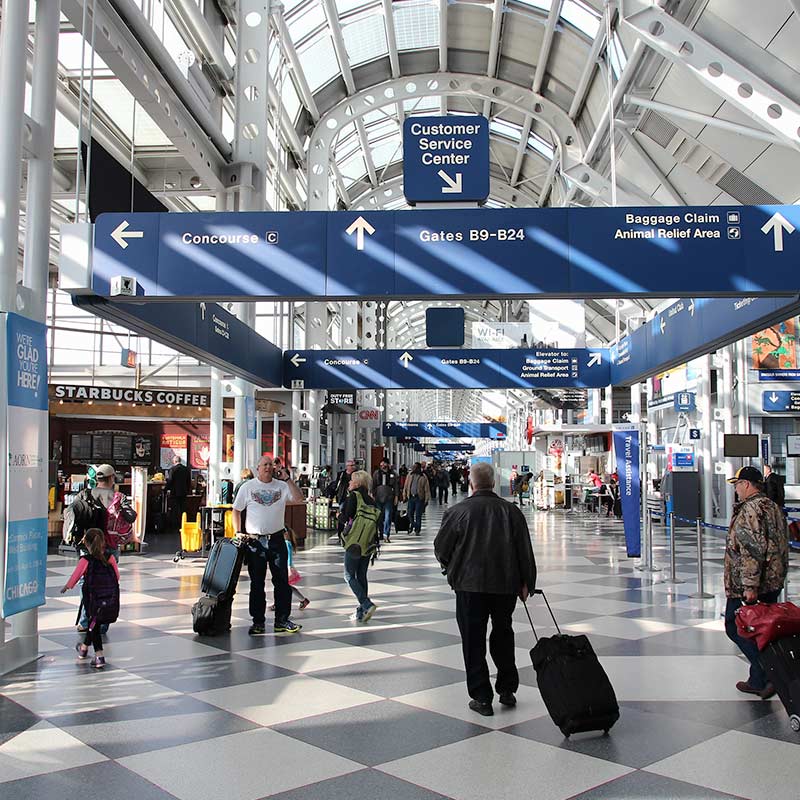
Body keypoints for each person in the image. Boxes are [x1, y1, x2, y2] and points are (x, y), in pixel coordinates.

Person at [434, 462, 537, 717]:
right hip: (505, 584)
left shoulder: (458, 512)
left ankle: (481, 697)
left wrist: (451, 569)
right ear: (492, 483)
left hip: (469, 586)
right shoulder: (511, 512)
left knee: (473, 640)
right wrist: (527, 582)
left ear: (471, 483)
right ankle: (507, 689)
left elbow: (441, 548)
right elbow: (524, 551)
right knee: (503, 633)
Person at [724, 466, 789, 699]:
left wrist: (750, 586)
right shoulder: (772, 506)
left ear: (748, 485)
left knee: (734, 626)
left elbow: (752, 550)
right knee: (763, 630)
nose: (736, 489)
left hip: (750, 584)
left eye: (738, 484)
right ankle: (759, 679)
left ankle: (768, 672)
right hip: (773, 579)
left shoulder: (750, 510)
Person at [233, 455, 305, 635]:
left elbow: (298, 498)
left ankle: (282, 619)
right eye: (264, 465)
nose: (268, 467)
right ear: (257, 468)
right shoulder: (248, 487)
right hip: (255, 542)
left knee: (281, 581)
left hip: (277, 539)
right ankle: (258, 621)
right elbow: (236, 509)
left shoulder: (281, 486)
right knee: (256, 583)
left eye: (270, 465)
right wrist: (237, 531)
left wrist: (287, 478)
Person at [73, 463, 135, 632]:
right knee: (108, 582)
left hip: (88, 545)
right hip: (110, 545)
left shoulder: (84, 494)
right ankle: (102, 623)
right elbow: (131, 517)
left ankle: (85, 622)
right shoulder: (118, 496)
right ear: (111, 478)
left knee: (86, 582)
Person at [61, 527, 120, 669]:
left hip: (92, 599)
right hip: (109, 598)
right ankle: (83, 648)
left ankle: (99, 656)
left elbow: (75, 576)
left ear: (87, 544)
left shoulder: (85, 560)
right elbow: (117, 577)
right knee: (95, 623)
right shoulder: (110, 558)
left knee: (93, 624)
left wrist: (67, 587)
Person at [337, 470, 379, 622]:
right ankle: (362, 611)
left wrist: (338, 516)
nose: (349, 483)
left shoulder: (354, 496)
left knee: (348, 575)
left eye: (352, 480)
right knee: (361, 575)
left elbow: (347, 516)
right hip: (368, 543)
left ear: (358, 483)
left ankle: (366, 604)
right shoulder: (372, 500)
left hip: (355, 542)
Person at [372, 458, 398, 542]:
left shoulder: (393, 474)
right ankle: (381, 532)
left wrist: (396, 497)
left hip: (389, 497)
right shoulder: (376, 473)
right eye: (381, 464)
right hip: (378, 497)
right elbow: (373, 485)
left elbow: (396, 486)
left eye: (384, 464)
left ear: (387, 464)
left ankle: (386, 534)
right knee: (379, 516)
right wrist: (372, 495)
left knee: (388, 516)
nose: (382, 466)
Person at [403, 462, 431, 536]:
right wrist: (404, 495)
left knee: (418, 515)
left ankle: (417, 530)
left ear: (418, 468)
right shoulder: (409, 475)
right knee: (409, 513)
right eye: (413, 467)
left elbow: (427, 489)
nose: (413, 468)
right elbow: (405, 486)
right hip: (411, 497)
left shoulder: (423, 476)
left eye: (415, 467)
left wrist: (427, 499)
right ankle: (414, 524)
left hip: (419, 498)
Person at [167, 455, 192, 528]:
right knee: (183, 508)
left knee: (174, 509)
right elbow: (188, 482)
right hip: (183, 492)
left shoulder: (172, 469)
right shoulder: (186, 469)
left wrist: (166, 489)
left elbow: (170, 481)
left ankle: (175, 525)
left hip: (174, 492)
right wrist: (187, 490)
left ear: (174, 461)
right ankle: (183, 523)